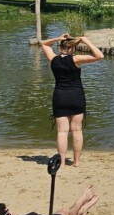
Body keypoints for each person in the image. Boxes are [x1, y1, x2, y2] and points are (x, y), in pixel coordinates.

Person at [38, 33, 104, 167]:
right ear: (72, 48)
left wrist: (58, 38)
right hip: (76, 96)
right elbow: (100, 56)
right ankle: (76, 162)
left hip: (60, 96)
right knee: (77, 130)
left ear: (60, 47)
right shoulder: (76, 59)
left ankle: (62, 163)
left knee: (62, 131)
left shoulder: (53, 59)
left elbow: (44, 44)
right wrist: (86, 40)